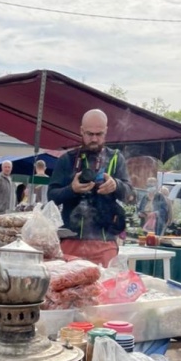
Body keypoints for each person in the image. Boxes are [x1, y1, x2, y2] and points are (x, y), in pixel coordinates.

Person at [48, 109, 132, 266]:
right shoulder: (67, 159)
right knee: (67, 281)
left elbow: (130, 195)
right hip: (71, 240)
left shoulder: (116, 158)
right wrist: (71, 190)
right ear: (81, 131)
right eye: (89, 134)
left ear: (106, 131)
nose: (94, 139)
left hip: (104, 242)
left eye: (99, 134)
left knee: (106, 282)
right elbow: (51, 196)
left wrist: (116, 185)